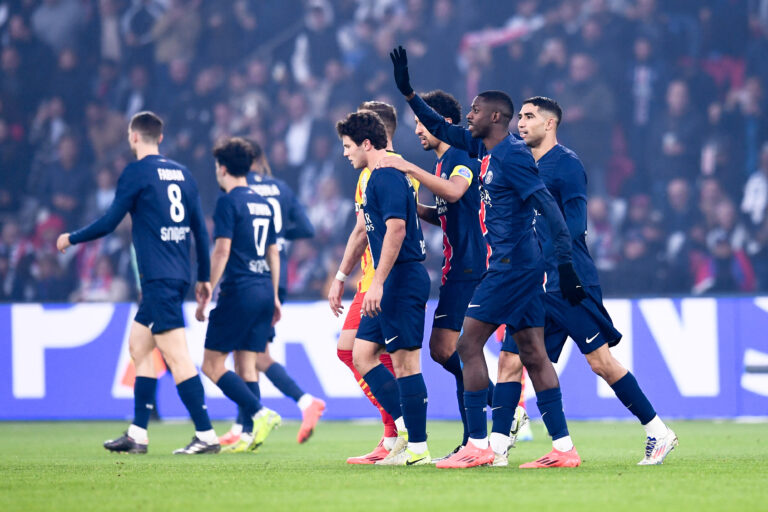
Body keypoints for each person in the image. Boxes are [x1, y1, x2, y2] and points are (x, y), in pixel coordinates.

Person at [391, 46, 586, 469]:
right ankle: (564, 449)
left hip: (511, 266)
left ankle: (478, 445)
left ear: (495, 117)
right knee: (532, 352)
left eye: (476, 110)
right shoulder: (485, 150)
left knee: (467, 343)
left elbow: (549, 209)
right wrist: (408, 94)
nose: (469, 116)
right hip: (519, 265)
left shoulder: (512, 156)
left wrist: (566, 265)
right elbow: (439, 126)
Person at [493, 96, 678, 466]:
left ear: (550, 123)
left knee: (600, 361)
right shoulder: (521, 164)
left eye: (529, 116)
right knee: (511, 360)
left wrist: (563, 270)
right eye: (520, 117)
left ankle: (659, 432)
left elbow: (575, 225)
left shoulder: (566, 164)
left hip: (568, 281)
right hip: (533, 284)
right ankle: (496, 449)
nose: (521, 123)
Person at [56, 111, 219, 455]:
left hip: (158, 279)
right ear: (160, 137)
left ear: (133, 137)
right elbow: (200, 232)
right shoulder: (184, 174)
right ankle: (138, 433)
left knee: (177, 358)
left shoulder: (136, 172)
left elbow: (110, 221)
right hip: (176, 275)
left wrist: (72, 237)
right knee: (139, 347)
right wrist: (203, 277)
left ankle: (206, 434)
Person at [376, 89, 494, 460]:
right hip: (456, 266)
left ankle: (495, 417)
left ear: (441, 122)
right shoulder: (441, 164)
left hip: (471, 265)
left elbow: (456, 193)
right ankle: (486, 421)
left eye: (422, 123)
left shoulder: (460, 155)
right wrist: (413, 208)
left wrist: (410, 170)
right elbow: (445, 211)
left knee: (455, 350)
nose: (417, 131)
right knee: (445, 351)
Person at [334, 110, 431, 466]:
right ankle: (404, 432)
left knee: (406, 365)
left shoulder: (386, 176)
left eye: (348, 146)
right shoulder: (376, 176)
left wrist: (377, 282)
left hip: (401, 279)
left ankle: (417, 448)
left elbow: (397, 229)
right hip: (391, 281)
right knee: (361, 354)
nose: (345, 153)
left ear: (366, 144)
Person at [217, 139, 324, 447]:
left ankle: (302, 403)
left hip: (249, 276)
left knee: (253, 355)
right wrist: (278, 233)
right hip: (276, 277)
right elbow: (306, 228)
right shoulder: (280, 188)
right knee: (247, 354)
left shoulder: (239, 189)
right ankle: (243, 426)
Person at [198, 137, 283, 453]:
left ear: (222, 169)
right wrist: (274, 294)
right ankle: (249, 434)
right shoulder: (262, 202)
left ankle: (260, 414)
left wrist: (207, 287)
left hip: (239, 290)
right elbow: (273, 252)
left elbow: (222, 250)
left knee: (211, 364)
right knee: (246, 365)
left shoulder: (227, 202)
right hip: (263, 288)